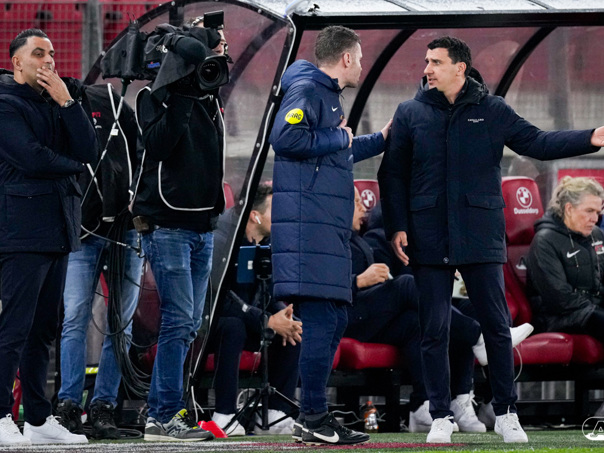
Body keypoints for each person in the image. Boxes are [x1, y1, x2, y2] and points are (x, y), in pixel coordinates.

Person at [378, 35, 604, 444]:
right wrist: (397, 226)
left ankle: (506, 412)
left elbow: (538, 142)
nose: (427, 69)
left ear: (459, 67)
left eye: (435, 62)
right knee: (434, 329)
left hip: (480, 232)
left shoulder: (493, 109)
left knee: (497, 326)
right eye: (427, 61)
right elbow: (392, 174)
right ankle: (440, 414)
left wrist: (591, 137)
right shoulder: (410, 113)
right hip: (429, 233)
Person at [269, 25, 391, 445]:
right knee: (323, 317)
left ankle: (314, 414)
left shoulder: (327, 95)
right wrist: (339, 134)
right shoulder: (308, 89)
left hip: (323, 230)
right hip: (309, 230)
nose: (362, 66)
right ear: (346, 58)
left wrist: (382, 139)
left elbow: (339, 150)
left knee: (334, 316)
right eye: (360, 58)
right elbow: (286, 137)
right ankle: (312, 416)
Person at [0, 29, 97, 445]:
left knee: (44, 331)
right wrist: (73, 166)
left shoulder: (58, 100)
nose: (49, 61)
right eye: (39, 53)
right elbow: (31, 157)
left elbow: (90, 150)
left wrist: (68, 103)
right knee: (14, 329)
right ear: (17, 62)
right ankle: (1, 415)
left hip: (59, 227)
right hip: (21, 231)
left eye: (52, 53)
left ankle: (39, 419)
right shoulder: (5, 103)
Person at [132, 24, 226, 442]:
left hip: (202, 226)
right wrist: (182, 93)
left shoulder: (210, 98)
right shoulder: (153, 97)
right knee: (178, 320)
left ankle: (163, 414)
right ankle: (163, 414)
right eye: (209, 56)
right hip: (167, 225)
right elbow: (159, 146)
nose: (214, 66)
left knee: (188, 324)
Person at [55, 84, 144, 440]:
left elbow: (142, 151)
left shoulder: (111, 101)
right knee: (75, 317)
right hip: (82, 229)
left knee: (120, 323)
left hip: (123, 227)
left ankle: (103, 405)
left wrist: (137, 196)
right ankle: (68, 404)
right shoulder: (58, 107)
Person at [209, 183, 302, 436]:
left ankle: (275, 413)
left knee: (293, 329)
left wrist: (281, 315)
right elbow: (219, 298)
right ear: (255, 216)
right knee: (233, 327)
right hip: (212, 323)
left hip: (250, 319)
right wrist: (266, 320)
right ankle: (224, 414)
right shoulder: (222, 239)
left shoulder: (268, 243)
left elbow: (267, 290)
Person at [527, 176, 604, 341]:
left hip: (590, 310)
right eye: (589, 211)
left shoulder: (596, 234)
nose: (595, 219)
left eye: (598, 212)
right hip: (556, 317)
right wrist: (596, 312)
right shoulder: (545, 241)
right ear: (569, 209)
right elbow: (559, 298)